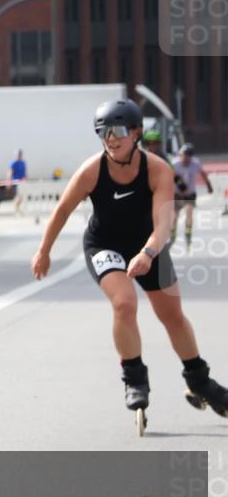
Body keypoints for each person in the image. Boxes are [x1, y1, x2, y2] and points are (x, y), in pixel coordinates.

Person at [31, 99, 227, 431]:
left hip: (149, 244)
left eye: (118, 131)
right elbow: (62, 210)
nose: (111, 139)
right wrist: (43, 251)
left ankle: (199, 380)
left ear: (136, 133)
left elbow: (162, 225)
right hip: (104, 245)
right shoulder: (92, 170)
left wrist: (147, 254)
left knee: (172, 315)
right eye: (103, 133)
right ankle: (134, 379)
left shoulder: (158, 169)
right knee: (124, 304)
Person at [171, 142, 214, 252]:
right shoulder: (175, 163)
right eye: (183, 156)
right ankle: (172, 236)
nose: (185, 159)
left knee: (189, 213)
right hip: (178, 194)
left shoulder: (195, 163)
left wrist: (209, 185)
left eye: (187, 157)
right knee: (174, 216)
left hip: (190, 193)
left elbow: (203, 174)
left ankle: (188, 235)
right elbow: (173, 177)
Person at [9, 149, 27, 215]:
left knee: (21, 196)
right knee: (18, 196)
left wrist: (25, 179)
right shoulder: (13, 163)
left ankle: (17, 208)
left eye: (20, 154)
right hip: (15, 182)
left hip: (21, 182)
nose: (19, 156)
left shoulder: (23, 163)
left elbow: (24, 172)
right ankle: (16, 209)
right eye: (18, 154)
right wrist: (9, 181)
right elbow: (10, 172)